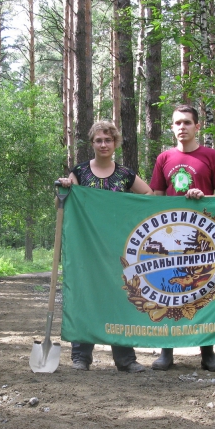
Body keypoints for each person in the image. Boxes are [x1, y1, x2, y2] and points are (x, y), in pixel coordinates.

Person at [58, 120, 152, 373]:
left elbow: (148, 194)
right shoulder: (79, 172)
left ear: (115, 143)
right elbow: (67, 202)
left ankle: (125, 359)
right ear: (92, 143)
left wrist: (127, 211)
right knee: (84, 296)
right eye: (98, 140)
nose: (103, 144)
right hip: (86, 246)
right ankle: (81, 357)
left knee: (119, 295)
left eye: (108, 140)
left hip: (117, 245)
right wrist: (65, 187)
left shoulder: (125, 174)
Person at [148, 104, 215, 372]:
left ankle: (208, 353)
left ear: (198, 126)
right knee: (169, 289)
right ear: (172, 128)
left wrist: (204, 198)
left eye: (187, 122)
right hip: (171, 235)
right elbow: (156, 198)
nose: (182, 127)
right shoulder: (164, 158)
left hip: (203, 235)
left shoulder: (212, 156)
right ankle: (167, 351)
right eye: (177, 123)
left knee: (203, 288)